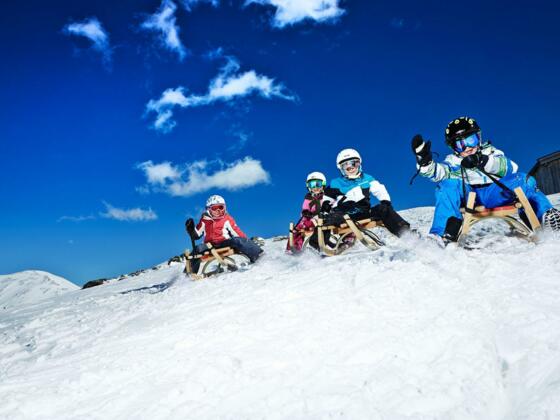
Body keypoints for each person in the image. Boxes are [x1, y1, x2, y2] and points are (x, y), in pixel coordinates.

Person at [411, 116, 560, 242]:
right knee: (447, 185)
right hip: (470, 196)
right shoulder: (453, 162)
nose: (468, 147)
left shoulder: (491, 152)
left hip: (497, 193)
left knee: (524, 179)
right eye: (460, 144)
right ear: (454, 148)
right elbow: (437, 173)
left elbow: (510, 167)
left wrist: (485, 161)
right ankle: (441, 234)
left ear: (479, 138)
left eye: (471, 140)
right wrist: (425, 162)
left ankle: (546, 218)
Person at [323, 148, 411, 236]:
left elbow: (379, 189)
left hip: (364, 212)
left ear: (359, 164)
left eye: (354, 163)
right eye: (346, 166)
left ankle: (405, 232)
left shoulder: (367, 179)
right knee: (333, 217)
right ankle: (347, 238)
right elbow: (327, 197)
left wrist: (385, 200)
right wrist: (325, 205)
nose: (351, 168)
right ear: (341, 169)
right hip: (345, 214)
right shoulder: (336, 182)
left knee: (384, 209)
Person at [185, 195, 263, 272]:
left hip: (224, 242)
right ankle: (189, 272)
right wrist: (191, 229)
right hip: (209, 245)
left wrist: (245, 241)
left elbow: (236, 231)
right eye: (214, 208)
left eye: (221, 207)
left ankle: (258, 255)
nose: (218, 210)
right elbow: (197, 234)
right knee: (197, 249)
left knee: (238, 241)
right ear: (208, 209)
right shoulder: (204, 220)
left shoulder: (227, 218)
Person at [288, 171, 335, 252]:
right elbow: (304, 209)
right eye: (312, 185)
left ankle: (322, 243)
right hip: (311, 219)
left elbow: (333, 204)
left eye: (318, 184)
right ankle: (294, 247)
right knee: (298, 228)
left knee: (323, 223)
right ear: (308, 186)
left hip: (324, 218)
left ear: (323, 184)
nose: (315, 187)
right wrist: (306, 212)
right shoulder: (308, 198)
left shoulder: (327, 196)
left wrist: (329, 210)